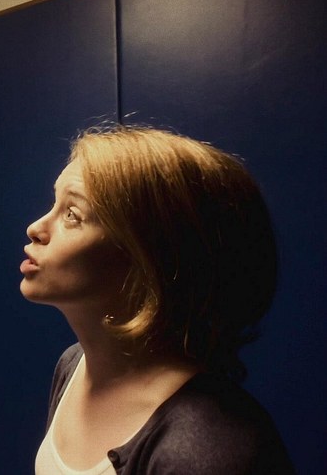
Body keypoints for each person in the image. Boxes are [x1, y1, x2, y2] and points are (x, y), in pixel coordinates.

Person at [20, 125, 294, 474]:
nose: (35, 228)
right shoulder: (74, 365)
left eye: (72, 214)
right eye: (55, 204)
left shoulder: (207, 449)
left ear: (148, 258)